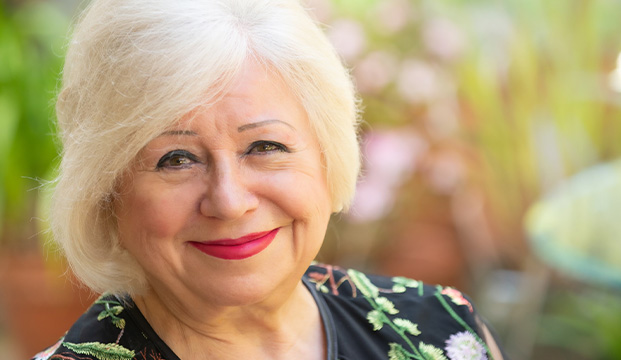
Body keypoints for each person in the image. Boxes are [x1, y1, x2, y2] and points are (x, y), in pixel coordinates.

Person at [34, 0, 506, 359]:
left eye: (264, 147)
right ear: (106, 192)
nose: (230, 201)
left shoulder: (445, 331)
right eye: (176, 159)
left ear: (328, 157)